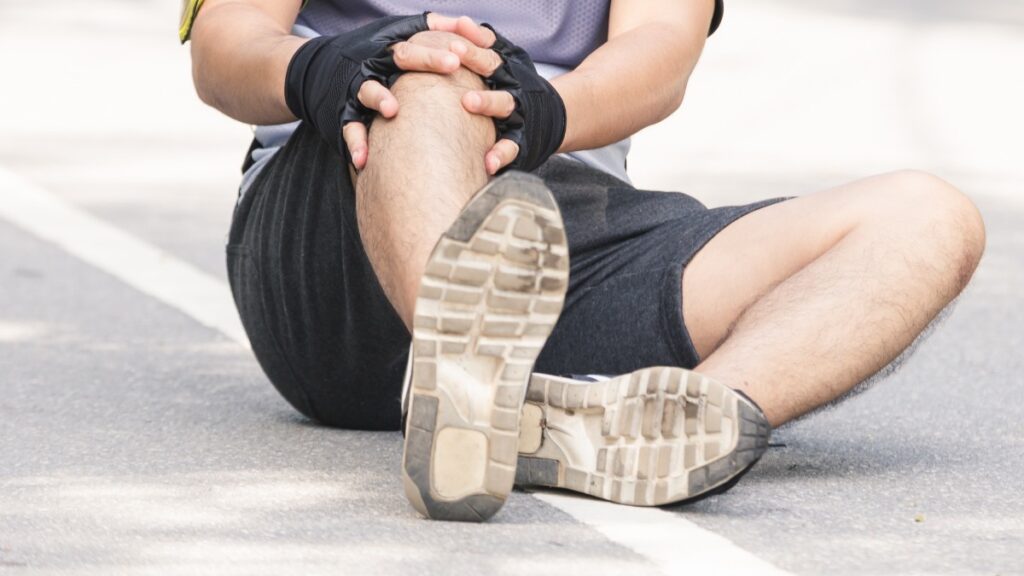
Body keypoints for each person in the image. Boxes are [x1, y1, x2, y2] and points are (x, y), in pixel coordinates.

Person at [183, 0, 986, 522]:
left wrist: (547, 113)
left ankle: (643, 425)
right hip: (338, 221)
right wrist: (315, 68)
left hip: (558, 219)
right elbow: (225, 44)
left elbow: (660, 48)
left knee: (927, 218)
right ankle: (458, 368)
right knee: (435, 71)